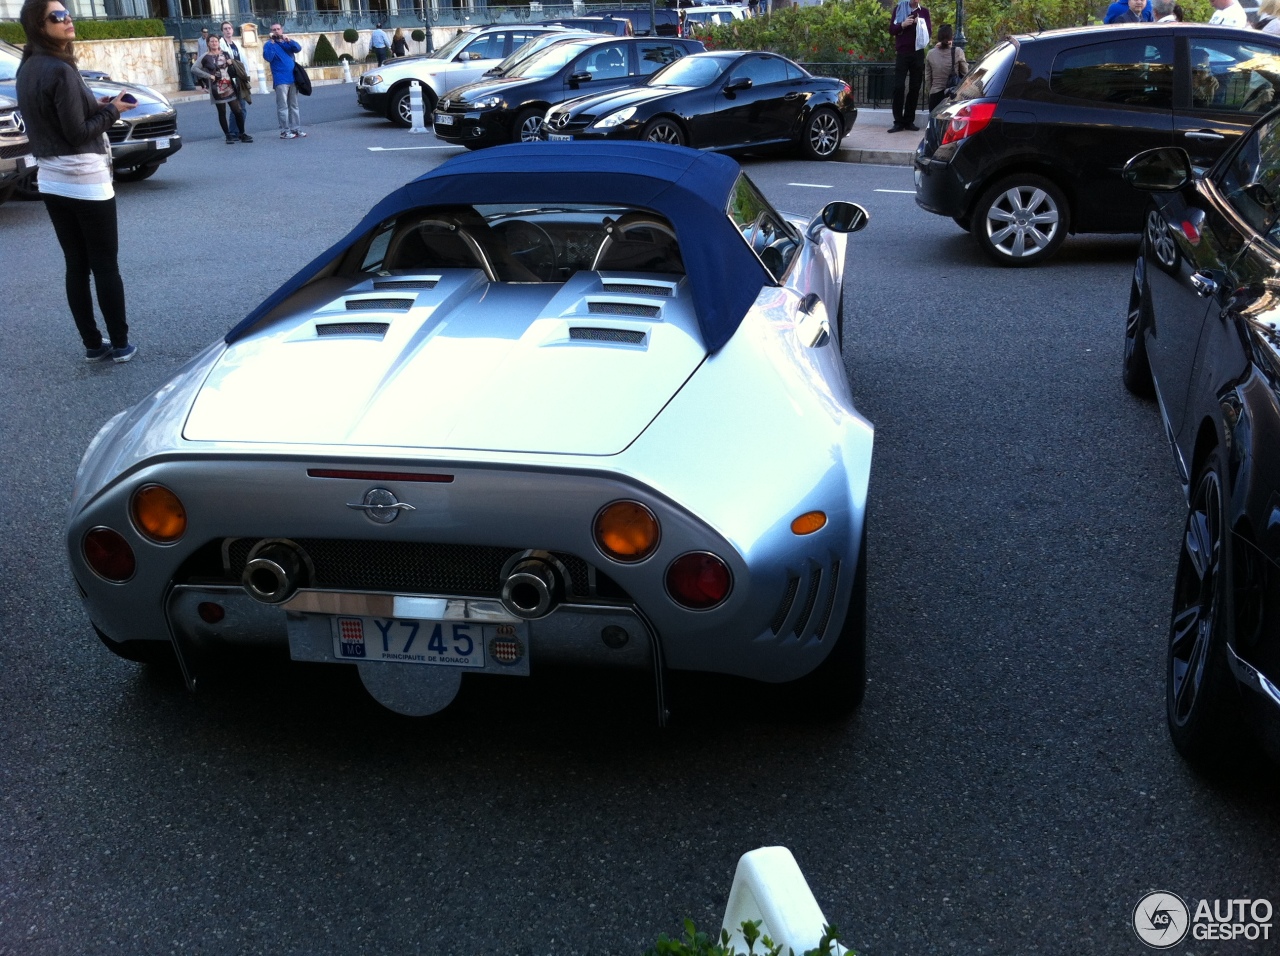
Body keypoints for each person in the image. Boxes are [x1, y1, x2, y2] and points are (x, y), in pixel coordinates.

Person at [14, 0, 138, 363]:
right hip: (85, 179)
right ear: (40, 25)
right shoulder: (60, 69)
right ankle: (121, 344)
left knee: (76, 264)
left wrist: (95, 103)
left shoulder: (28, 67)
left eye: (68, 13)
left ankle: (91, 344)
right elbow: (77, 133)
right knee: (105, 265)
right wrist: (115, 110)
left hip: (52, 180)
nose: (68, 19)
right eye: (58, 16)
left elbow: (58, 117)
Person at [191, 34, 251, 144]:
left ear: (219, 42)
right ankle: (228, 135)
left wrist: (231, 62)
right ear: (208, 43)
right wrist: (209, 76)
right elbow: (194, 68)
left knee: (237, 110)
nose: (214, 43)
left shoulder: (225, 53)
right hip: (216, 87)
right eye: (212, 41)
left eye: (216, 41)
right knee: (222, 111)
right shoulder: (205, 56)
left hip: (229, 85)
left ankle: (242, 133)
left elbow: (234, 66)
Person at [888, 0, 931, 133]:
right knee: (899, 86)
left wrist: (920, 24)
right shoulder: (899, 9)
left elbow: (929, 32)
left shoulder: (924, 12)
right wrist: (903, 24)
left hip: (917, 53)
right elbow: (892, 30)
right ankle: (898, 122)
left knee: (915, 87)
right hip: (902, 53)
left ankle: (909, 120)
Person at [262, 23, 305, 139]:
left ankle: (295, 128)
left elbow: (298, 48)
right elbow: (268, 57)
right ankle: (284, 131)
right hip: (281, 80)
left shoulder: (286, 42)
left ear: (282, 30)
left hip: (293, 78)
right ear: (270, 32)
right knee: (283, 106)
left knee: (294, 105)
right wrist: (271, 42)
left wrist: (289, 40)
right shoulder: (268, 45)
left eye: (278, 29)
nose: (276, 31)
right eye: (273, 30)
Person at [218, 20, 252, 138]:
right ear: (222, 31)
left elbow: (242, 61)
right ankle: (234, 131)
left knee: (241, 106)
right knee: (236, 106)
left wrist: (246, 75)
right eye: (225, 29)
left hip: (239, 78)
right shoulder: (221, 44)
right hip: (228, 79)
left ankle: (238, 131)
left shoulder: (235, 44)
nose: (228, 30)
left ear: (232, 30)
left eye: (229, 28)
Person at [924, 23, 966, 111]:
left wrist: (930, 91)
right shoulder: (958, 51)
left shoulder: (930, 54)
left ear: (938, 38)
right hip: (952, 94)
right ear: (952, 38)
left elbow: (928, 78)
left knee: (934, 122)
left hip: (935, 94)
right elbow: (965, 72)